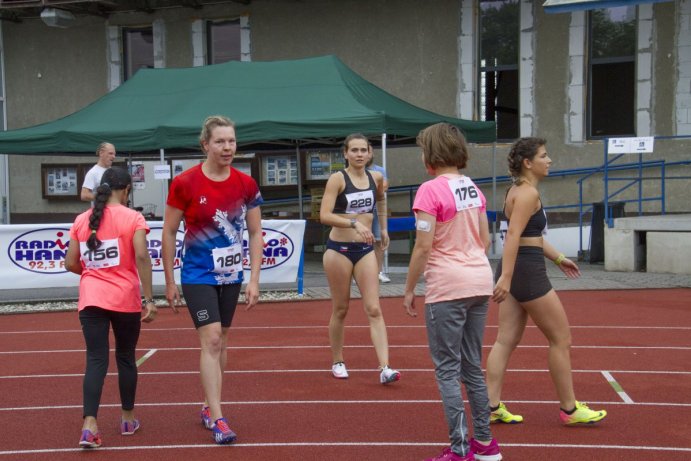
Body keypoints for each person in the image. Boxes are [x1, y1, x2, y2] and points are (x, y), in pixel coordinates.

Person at [487, 137, 607, 426]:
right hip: (524, 269)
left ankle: (489, 407)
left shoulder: (516, 190)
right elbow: (514, 236)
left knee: (504, 340)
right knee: (560, 339)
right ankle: (570, 409)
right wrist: (506, 277)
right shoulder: (527, 194)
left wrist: (557, 258)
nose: (549, 160)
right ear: (529, 163)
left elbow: (531, 235)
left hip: (518, 266)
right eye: (544, 155)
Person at [161, 115, 264, 445]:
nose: (228, 147)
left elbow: (256, 231)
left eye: (232, 141)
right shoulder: (185, 183)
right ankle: (219, 419)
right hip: (197, 274)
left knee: (223, 342)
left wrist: (254, 279)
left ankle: (208, 405)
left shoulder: (246, 184)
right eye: (220, 141)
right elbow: (167, 231)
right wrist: (170, 281)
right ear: (205, 144)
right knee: (213, 339)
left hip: (231, 275)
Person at [403, 123, 501, 461]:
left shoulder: (429, 190)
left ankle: (460, 450)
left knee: (446, 369)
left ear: (430, 155)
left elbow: (422, 247)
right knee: (472, 366)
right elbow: (485, 241)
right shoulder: (474, 188)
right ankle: (486, 444)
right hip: (479, 280)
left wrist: (408, 288)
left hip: (448, 285)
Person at [65, 166, 156, 449]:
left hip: (91, 298)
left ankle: (89, 425)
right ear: (127, 190)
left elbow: (70, 263)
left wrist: (94, 274)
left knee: (95, 360)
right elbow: (142, 256)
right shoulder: (133, 217)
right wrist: (150, 299)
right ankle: (128, 418)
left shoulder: (82, 220)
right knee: (126, 357)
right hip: (125, 299)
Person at [320, 133, 400, 384]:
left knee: (374, 308)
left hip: (365, 250)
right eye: (353, 150)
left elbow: (381, 202)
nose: (359, 154)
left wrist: (384, 229)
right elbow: (324, 215)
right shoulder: (337, 179)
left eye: (363, 150)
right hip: (339, 251)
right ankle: (338, 360)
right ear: (345, 153)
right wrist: (353, 222)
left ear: (370, 153)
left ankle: (385, 367)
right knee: (341, 309)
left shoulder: (375, 177)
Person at [366, 143, 391, 283]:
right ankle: (360, 272)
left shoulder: (380, 170)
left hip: (377, 210)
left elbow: (384, 187)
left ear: (372, 153)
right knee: (362, 240)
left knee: (379, 241)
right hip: (360, 213)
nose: (365, 154)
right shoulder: (353, 171)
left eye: (367, 151)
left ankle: (378, 272)